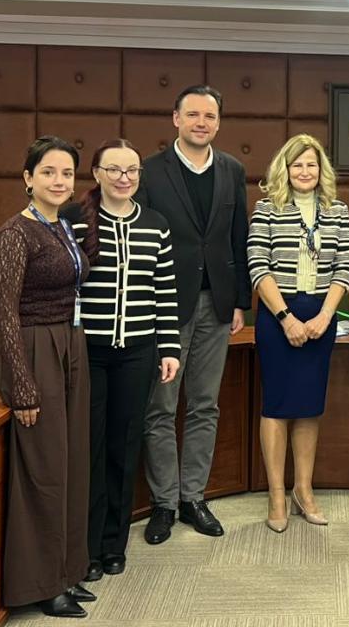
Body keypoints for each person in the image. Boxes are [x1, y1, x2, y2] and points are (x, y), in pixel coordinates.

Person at [136, 85, 251, 544]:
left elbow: (238, 238)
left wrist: (240, 301)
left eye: (210, 116)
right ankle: (164, 503)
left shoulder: (232, 170)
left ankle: (193, 498)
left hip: (217, 306)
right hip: (164, 304)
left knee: (205, 404)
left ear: (218, 123)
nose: (202, 123)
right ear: (176, 119)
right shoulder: (149, 171)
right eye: (193, 115)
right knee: (161, 407)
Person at [0, 135, 94, 618]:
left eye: (67, 173)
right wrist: (23, 384)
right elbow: (5, 315)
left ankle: (67, 570)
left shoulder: (61, 226)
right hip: (32, 348)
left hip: (69, 346)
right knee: (44, 469)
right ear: (28, 178)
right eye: (48, 172)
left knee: (70, 462)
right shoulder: (15, 233)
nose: (59, 180)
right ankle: (40, 584)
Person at [69, 139, 182, 581]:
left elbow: (164, 293)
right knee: (91, 448)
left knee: (125, 445)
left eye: (132, 170)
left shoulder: (155, 224)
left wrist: (169, 348)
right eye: (114, 170)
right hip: (89, 354)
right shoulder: (74, 220)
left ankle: (114, 545)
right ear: (96, 174)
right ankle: (88, 547)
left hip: (138, 353)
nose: (124, 178)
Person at [247, 134, 349, 532]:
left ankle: (303, 490)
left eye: (312, 164)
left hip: (320, 316)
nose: (305, 171)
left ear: (321, 170)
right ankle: (276, 494)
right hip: (278, 316)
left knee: (309, 406)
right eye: (297, 165)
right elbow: (258, 265)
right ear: (285, 169)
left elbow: (345, 266)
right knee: (277, 406)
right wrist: (286, 318)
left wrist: (326, 315)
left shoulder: (337, 210)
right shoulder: (267, 208)